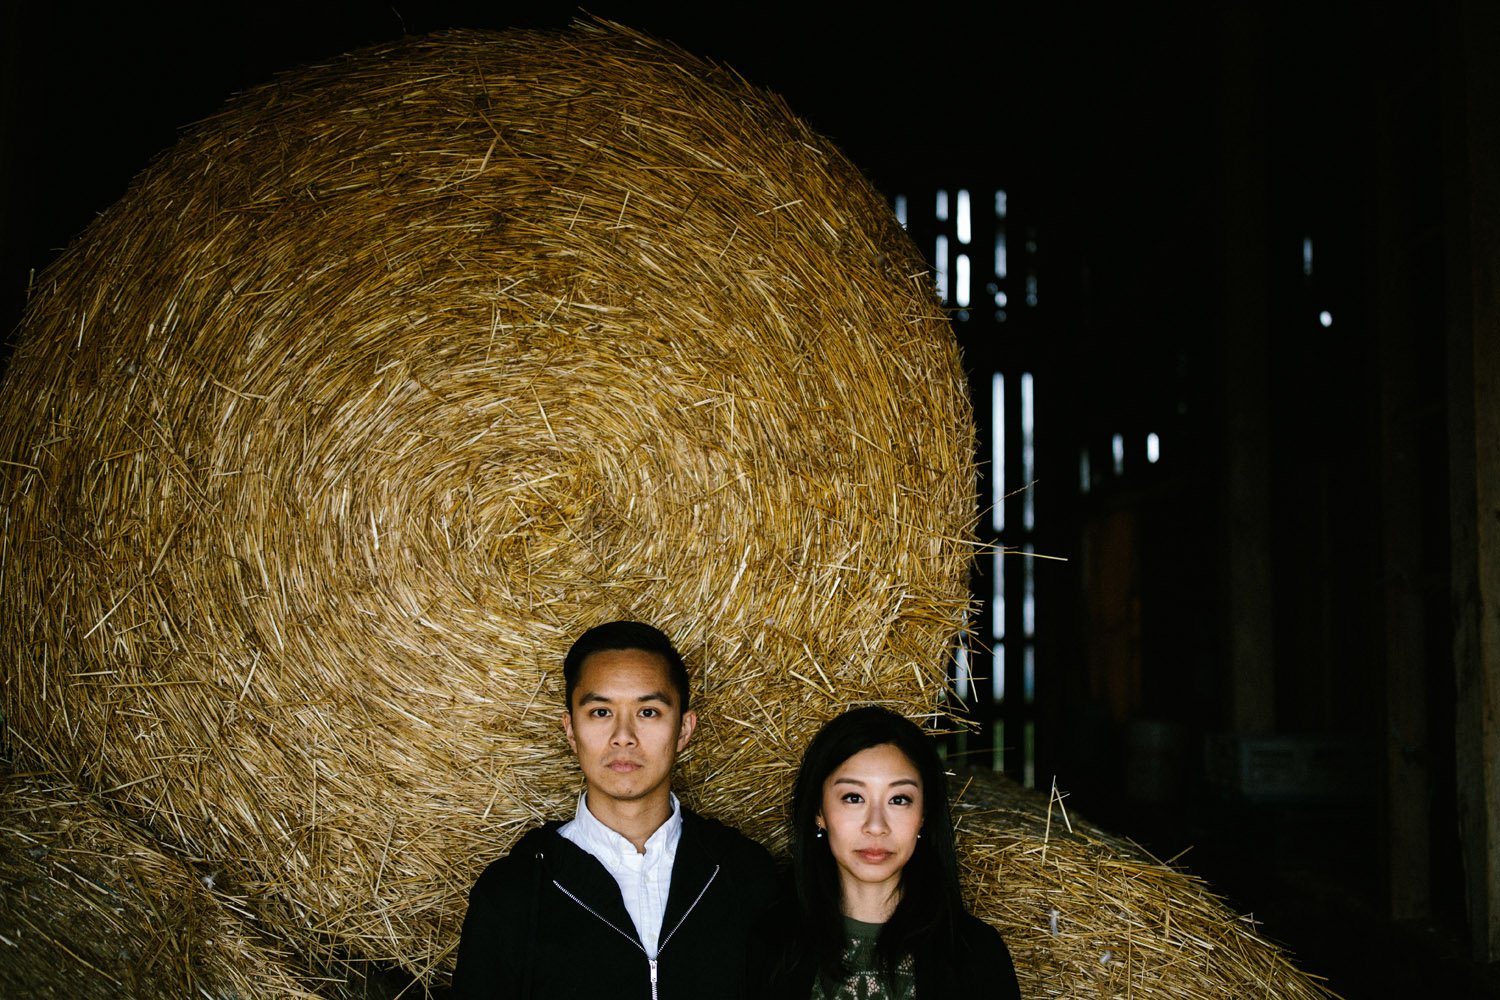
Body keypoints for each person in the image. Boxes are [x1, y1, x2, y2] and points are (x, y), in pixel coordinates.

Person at [451, 620, 778, 999]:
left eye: (649, 712)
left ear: (684, 730)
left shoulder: (744, 875)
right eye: (601, 712)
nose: (623, 735)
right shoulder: (515, 893)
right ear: (571, 730)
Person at [749, 706, 1021, 999]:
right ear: (819, 812)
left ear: (924, 815)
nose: (876, 826)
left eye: (899, 799)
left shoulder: (976, 955)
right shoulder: (770, 946)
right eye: (853, 798)